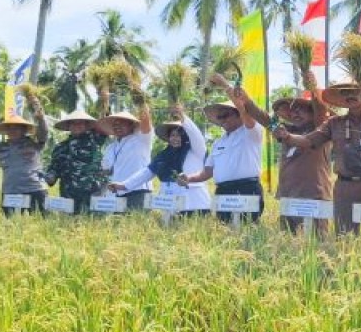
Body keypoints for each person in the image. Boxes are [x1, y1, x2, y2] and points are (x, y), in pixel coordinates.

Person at [274, 79, 361, 234]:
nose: (350, 96)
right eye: (345, 93)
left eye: (355, 92)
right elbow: (308, 140)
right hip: (344, 187)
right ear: (341, 100)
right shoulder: (334, 123)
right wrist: (287, 137)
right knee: (344, 238)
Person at [235, 71, 333, 234]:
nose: (295, 114)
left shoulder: (320, 129)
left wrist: (314, 89)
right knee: (289, 239)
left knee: (316, 243)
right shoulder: (285, 130)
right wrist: (245, 100)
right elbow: (264, 118)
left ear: (312, 113)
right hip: (288, 195)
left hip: (313, 195)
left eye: (301, 110)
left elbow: (321, 109)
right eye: (293, 111)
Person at [180, 75, 265, 223]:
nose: (222, 120)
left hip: (246, 188)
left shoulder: (251, 132)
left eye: (226, 115)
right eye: (219, 118)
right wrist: (189, 178)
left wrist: (225, 85)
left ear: (239, 115)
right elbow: (207, 172)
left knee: (247, 231)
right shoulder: (218, 143)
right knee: (225, 230)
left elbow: (244, 108)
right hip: (223, 191)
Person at [109, 103, 210, 214]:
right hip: (169, 203)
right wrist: (124, 185)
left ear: (185, 136)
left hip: (194, 203)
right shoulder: (163, 155)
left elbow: (196, 135)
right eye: (172, 135)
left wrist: (182, 115)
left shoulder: (195, 150)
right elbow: (146, 173)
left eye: (178, 135)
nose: (175, 138)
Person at [97, 87, 154, 212]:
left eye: (122, 123)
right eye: (115, 124)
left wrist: (140, 99)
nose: (118, 127)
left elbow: (145, 121)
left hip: (138, 191)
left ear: (132, 125)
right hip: (115, 193)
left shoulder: (140, 139)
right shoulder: (110, 147)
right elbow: (106, 170)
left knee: (138, 226)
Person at [44, 110, 107, 215]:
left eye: (81, 123)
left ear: (87, 125)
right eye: (73, 123)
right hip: (68, 195)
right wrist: (50, 176)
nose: (77, 126)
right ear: (68, 126)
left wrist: (105, 101)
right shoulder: (60, 147)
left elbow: (104, 120)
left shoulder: (95, 140)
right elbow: (54, 168)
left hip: (93, 192)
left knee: (93, 225)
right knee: (69, 226)